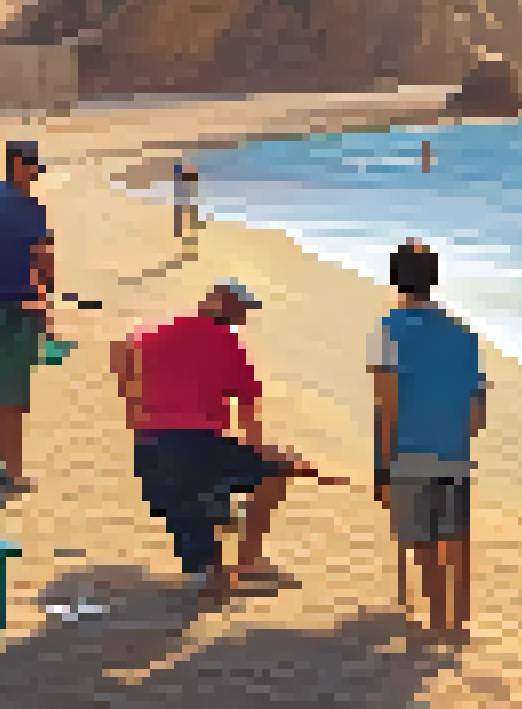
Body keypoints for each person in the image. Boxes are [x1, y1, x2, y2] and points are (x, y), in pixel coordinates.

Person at [113, 282, 345, 605]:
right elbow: (249, 421)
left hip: (150, 450)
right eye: (239, 309)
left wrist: (133, 411)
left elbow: (123, 349)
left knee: (198, 515)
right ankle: (243, 563)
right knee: (268, 476)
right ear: (217, 302)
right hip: (196, 447)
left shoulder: (158, 330)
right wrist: (279, 458)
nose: (242, 317)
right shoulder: (229, 344)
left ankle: (215, 567)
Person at [369, 241, 486, 644]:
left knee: (424, 540)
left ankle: (437, 621)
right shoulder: (464, 334)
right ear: (434, 281)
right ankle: (457, 623)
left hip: (409, 451)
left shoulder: (387, 329)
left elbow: (386, 406)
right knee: (456, 535)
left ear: (395, 279)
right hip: (454, 450)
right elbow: (477, 416)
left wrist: (381, 467)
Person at [0, 141, 55, 488]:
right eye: (33, 167)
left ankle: (9, 463)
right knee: (15, 390)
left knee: (7, 385)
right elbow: (45, 263)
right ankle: (11, 470)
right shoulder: (33, 210)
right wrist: (45, 303)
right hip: (20, 309)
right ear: (18, 165)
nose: (36, 174)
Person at [173, 162, 201, 246]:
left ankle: (188, 239)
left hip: (187, 200)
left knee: (189, 218)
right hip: (183, 200)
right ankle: (182, 236)